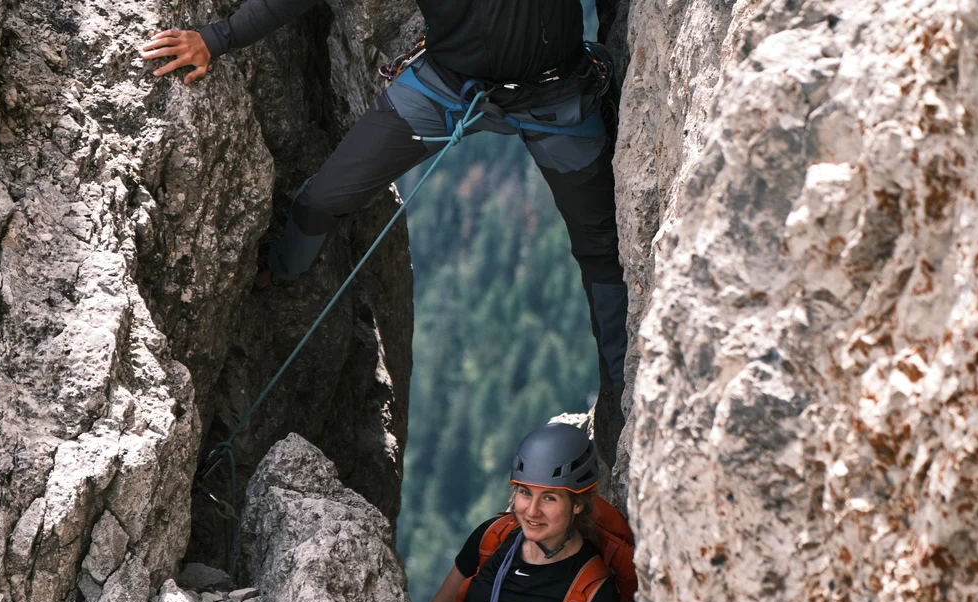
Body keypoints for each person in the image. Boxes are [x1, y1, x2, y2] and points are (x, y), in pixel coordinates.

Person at [139, 0, 629, 391]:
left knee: (602, 249)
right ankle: (286, 269)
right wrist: (214, 38)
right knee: (323, 198)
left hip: (557, 95)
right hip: (448, 87)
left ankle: (621, 388)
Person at [409, 422, 622, 602]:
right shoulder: (492, 538)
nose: (531, 511)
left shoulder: (593, 594)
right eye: (525, 492)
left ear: (578, 504)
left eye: (549, 498)